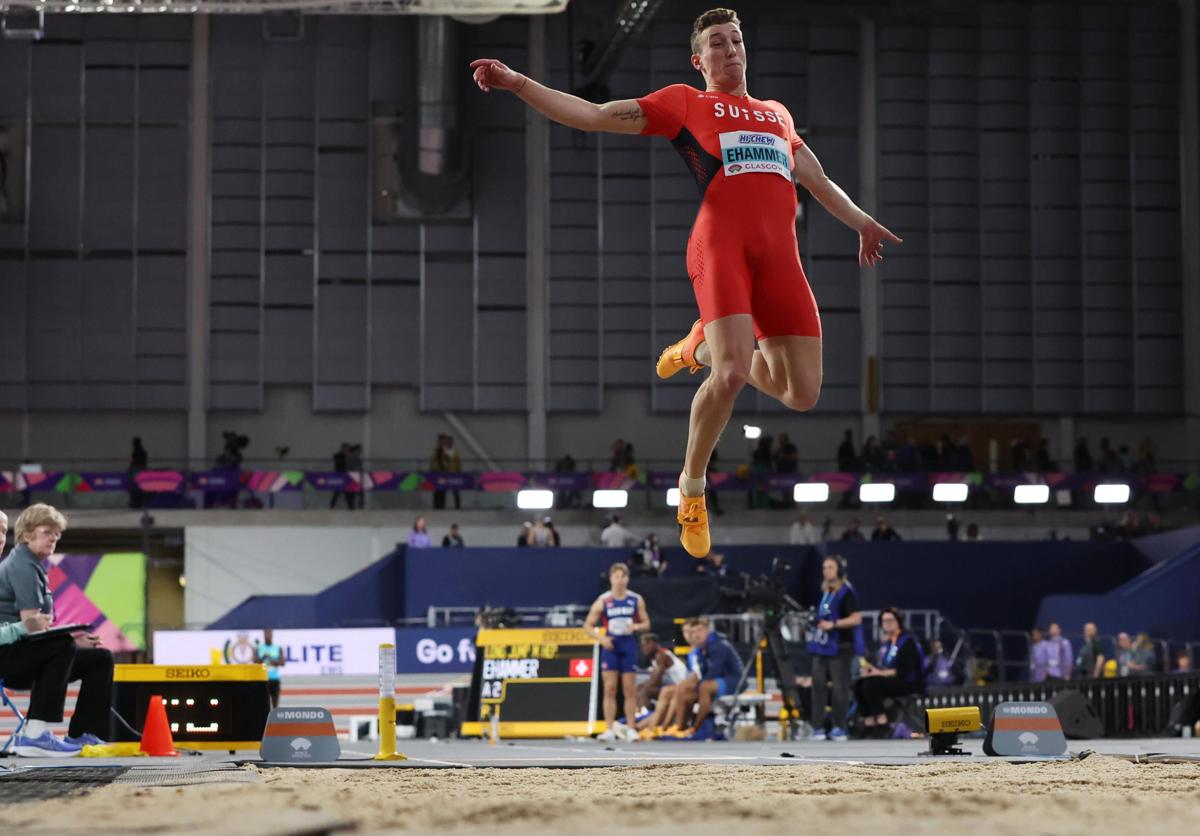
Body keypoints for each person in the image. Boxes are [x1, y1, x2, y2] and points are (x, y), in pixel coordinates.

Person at [471, 8, 900, 560]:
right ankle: (692, 489)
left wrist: (861, 221)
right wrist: (517, 82)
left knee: (802, 393)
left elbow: (816, 179)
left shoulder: (776, 115)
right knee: (732, 374)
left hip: (779, 259)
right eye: (718, 44)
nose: (731, 50)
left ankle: (698, 342)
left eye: (737, 40)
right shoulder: (686, 103)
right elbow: (595, 114)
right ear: (700, 60)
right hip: (719, 248)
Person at [0, 504, 113, 754]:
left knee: (100, 659)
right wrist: (71, 642)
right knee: (62, 646)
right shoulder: (22, 565)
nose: (54, 538)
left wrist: (75, 640)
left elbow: (39, 628)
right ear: (27, 533)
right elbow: (32, 629)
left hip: (23, 651)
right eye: (47, 531)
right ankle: (35, 733)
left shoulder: (34, 565)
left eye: (57, 534)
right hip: (7, 656)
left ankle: (82, 735)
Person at [583, 563, 650, 742]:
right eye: (617, 577)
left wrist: (636, 626)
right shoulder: (604, 600)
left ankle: (630, 727)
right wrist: (602, 639)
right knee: (610, 688)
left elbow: (646, 623)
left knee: (629, 688)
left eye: (623, 577)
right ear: (611, 579)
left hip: (628, 644)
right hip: (611, 645)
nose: (620, 581)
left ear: (627, 579)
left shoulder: (635, 599)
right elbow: (588, 625)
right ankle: (610, 728)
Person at [806, 555, 863, 742]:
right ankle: (818, 728)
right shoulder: (826, 591)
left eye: (830, 567)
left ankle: (839, 727)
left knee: (839, 688)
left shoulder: (846, 592)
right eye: (824, 567)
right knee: (818, 686)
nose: (826, 571)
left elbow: (856, 618)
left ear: (839, 570)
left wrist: (834, 624)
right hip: (822, 646)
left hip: (840, 647)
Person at [853, 607, 925, 738]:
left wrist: (878, 673)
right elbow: (883, 666)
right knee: (858, 683)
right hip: (890, 680)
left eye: (890, 620)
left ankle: (882, 723)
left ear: (899, 621)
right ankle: (869, 722)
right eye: (884, 621)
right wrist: (871, 669)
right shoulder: (887, 643)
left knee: (871, 685)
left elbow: (904, 671)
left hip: (908, 682)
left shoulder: (907, 641)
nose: (887, 623)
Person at [669, 617, 744, 739]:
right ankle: (680, 728)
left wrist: (697, 687)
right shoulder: (699, 650)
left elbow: (715, 671)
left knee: (704, 687)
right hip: (715, 682)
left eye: (700, 630)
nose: (697, 635)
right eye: (693, 632)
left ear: (707, 630)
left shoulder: (720, 645)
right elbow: (703, 673)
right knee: (686, 692)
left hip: (734, 681)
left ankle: (695, 729)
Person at [635, 632, 690, 735]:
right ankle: (640, 717)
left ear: (655, 643)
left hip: (681, 686)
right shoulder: (655, 658)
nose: (644, 648)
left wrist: (641, 691)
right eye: (642, 645)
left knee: (645, 690)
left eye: (647, 644)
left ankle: (644, 714)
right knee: (641, 687)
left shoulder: (662, 655)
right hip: (672, 686)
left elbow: (655, 681)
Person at [255, 628, 284, 709]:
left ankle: (274, 720)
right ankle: (265, 720)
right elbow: (255, 661)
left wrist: (271, 659)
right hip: (263, 680)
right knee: (264, 703)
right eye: (266, 635)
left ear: (272, 635)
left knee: (275, 703)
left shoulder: (278, 648)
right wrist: (263, 658)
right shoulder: (259, 648)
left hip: (275, 679)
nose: (267, 636)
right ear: (263, 635)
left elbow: (282, 662)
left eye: (269, 634)